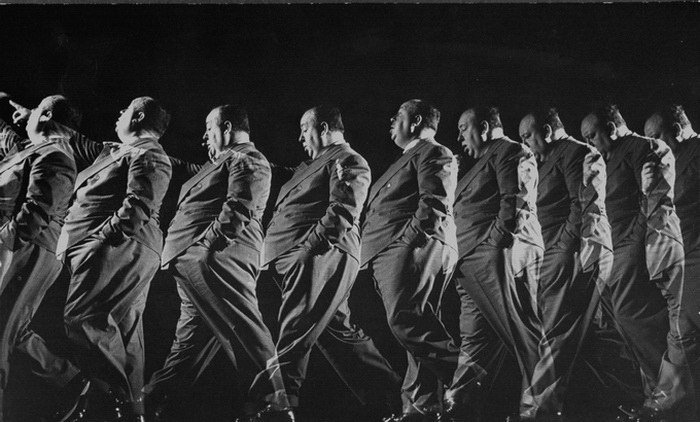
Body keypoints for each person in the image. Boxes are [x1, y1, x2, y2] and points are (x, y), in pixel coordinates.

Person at [140, 104, 293, 422]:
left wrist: (206, 248)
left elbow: (241, 205)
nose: (204, 137)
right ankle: (152, 399)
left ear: (227, 127)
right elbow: (180, 166)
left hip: (216, 258)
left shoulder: (248, 157)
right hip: (195, 260)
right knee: (189, 343)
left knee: (245, 328)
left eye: (209, 129)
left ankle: (274, 404)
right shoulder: (221, 162)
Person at [262, 105, 400, 416]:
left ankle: (278, 406)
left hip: (321, 256)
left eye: (304, 129)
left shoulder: (347, 159)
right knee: (341, 336)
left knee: (295, 328)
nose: (300, 138)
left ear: (323, 128)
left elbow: (344, 209)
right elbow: (275, 171)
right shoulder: (314, 165)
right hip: (309, 259)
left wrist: (309, 250)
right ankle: (396, 400)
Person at [56, 97, 173, 421]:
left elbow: (140, 202)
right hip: (122, 249)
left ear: (138, 116)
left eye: (125, 110)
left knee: (84, 319)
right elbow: (76, 141)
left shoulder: (149, 151)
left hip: (117, 248)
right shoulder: (117, 150)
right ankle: (132, 412)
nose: (119, 114)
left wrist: (101, 239)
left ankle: (116, 400)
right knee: (125, 333)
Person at [581, 104, 693, 421]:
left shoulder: (639, 148)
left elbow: (648, 200)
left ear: (611, 127)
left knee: (635, 318)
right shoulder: (607, 158)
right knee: (623, 327)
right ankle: (654, 397)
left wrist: (632, 244)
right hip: (613, 252)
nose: (589, 143)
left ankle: (670, 398)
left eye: (592, 136)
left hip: (634, 250)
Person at [442, 107, 543, 421]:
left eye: (464, 128)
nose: (459, 137)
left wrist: (494, 244)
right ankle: (459, 404)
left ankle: (540, 408)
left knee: (522, 333)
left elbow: (516, 201)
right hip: (469, 263)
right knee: (475, 338)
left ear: (484, 126)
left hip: (491, 257)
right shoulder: (480, 162)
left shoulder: (511, 151)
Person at [361, 99, 459, 422]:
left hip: (409, 249)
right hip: (390, 252)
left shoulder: (433, 151)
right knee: (417, 323)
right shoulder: (408, 157)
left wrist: (405, 243)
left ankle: (466, 378)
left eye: (398, 116)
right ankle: (422, 406)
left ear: (415, 120)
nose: (392, 121)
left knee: (406, 320)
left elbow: (434, 202)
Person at [518, 108, 612, 420]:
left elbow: (583, 205)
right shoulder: (547, 161)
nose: (526, 144)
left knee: (554, 335)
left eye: (528, 136)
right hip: (552, 258)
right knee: (566, 337)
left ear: (547, 131)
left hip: (569, 256)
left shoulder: (578, 153)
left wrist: (560, 249)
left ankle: (537, 410)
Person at [0, 95, 87, 422]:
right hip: (16, 247)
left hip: (27, 250)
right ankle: (67, 377)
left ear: (47, 115)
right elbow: (7, 138)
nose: (28, 115)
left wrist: (5, 241)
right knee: (13, 329)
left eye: (36, 109)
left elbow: (36, 212)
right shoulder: (33, 149)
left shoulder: (56, 155)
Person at [645, 105, 700, 419]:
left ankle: (662, 404)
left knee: (683, 330)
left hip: (695, 255)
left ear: (677, 130)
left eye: (656, 137)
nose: (652, 145)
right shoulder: (668, 160)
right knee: (681, 330)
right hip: (681, 258)